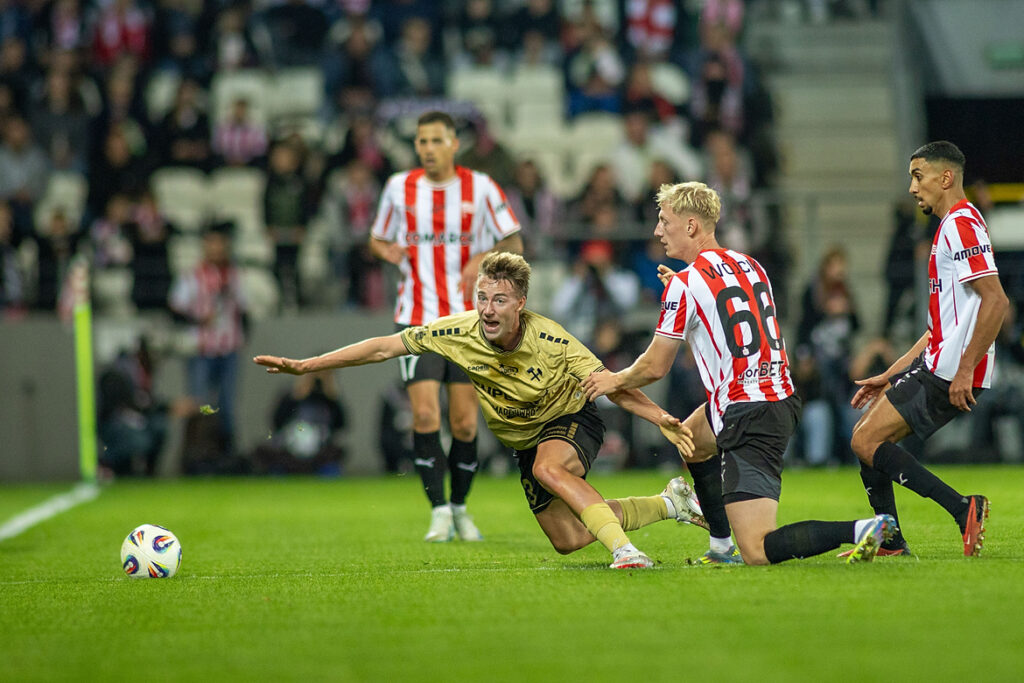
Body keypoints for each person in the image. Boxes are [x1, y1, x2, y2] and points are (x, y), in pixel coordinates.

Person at [255, 251, 708, 569]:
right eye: (483, 298)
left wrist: (659, 418)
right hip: (524, 441)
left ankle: (626, 551)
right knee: (568, 539)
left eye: (500, 300)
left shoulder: (553, 341)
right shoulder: (459, 331)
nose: (488, 310)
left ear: (521, 304)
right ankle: (670, 503)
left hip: (572, 418)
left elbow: (611, 385)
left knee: (552, 469)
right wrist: (307, 365)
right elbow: (382, 348)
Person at [582, 181, 897, 565]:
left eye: (665, 221)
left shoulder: (685, 285)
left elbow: (655, 366)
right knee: (691, 440)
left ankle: (862, 529)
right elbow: (728, 312)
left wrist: (613, 380)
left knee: (759, 549)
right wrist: (679, 292)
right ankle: (718, 548)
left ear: (692, 225)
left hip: (748, 412)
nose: (657, 231)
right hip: (775, 394)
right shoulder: (751, 265)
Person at [845, 141, 1009, 558]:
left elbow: (996, 301)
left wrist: (965, 369)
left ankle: (958, 510)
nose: (914, 187)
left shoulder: (961, 224)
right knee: (866, 439)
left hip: (951, 369)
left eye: (919, 176)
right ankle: (892, 541)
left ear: (946, 177)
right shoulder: (950, 227)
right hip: (943, 362)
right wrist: (892, 373)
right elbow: (940, 327)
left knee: (865, 441)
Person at [368, 111, 523, 543]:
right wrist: (392, 253)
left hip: (472, 322)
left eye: (436, 140)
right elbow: (377, 238)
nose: (429, 148)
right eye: (422, 141)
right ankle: (437, 510)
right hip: (417, 316)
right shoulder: (400, 187)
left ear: (454, 144)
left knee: (465, 424)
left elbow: (514, 241)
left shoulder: (482, 187)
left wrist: (482, 260)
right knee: (423, 413)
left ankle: (460, 508)